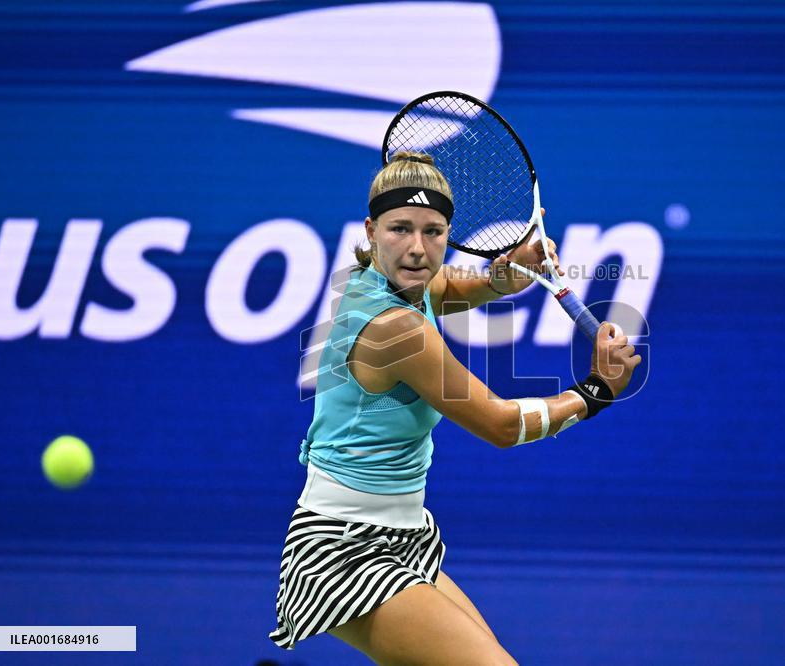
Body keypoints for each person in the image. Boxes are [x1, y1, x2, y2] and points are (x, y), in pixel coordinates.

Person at [269, 152, 641, 664]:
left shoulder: (387, 281)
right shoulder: (397, 329)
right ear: (371, 230)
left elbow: (448, 287)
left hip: (402, 535)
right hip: (344, 548)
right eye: (400, 229)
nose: (418, 249)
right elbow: (502, 425)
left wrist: (505, 277)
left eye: (434, 231)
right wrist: (597, 389)